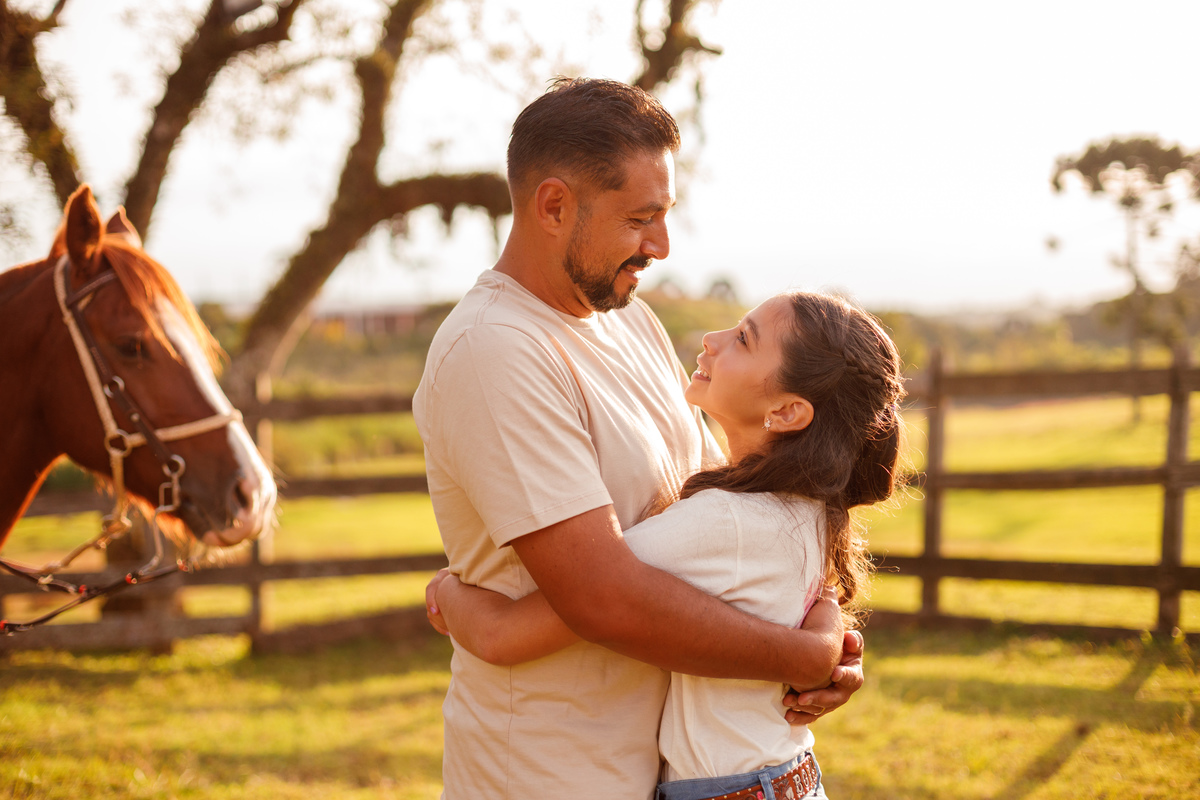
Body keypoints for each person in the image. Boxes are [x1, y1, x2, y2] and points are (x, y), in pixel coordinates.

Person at [412, 77, 863, 799]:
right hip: (548, 773)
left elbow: (746, 516)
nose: (661, 245)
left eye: (666, 215)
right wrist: (799, 655)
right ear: (553, 205)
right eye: (639, 219)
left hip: (668, 772)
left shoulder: (630, 321)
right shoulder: (494, 348)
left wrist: (826, 633)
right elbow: (602, 596)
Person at [427, 291, 905, 799]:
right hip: (784, 778)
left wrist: (446, 594)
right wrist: (822, 645)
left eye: (743, 339)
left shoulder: (722, 520)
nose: (713, 340)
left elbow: (510, 632)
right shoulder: (807, 510)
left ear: (787, 411)